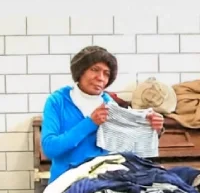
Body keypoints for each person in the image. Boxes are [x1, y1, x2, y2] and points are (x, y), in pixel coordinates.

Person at [41, 46, 164, 182]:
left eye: (106, 73)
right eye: (94, 70)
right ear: (80, 72)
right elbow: (50, 148)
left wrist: (152, 128)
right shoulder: (57, 101)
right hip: (65, 183)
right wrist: (90, 123)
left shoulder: (109, 104)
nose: (101, 78)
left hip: (102, 181)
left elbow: (127, 147)